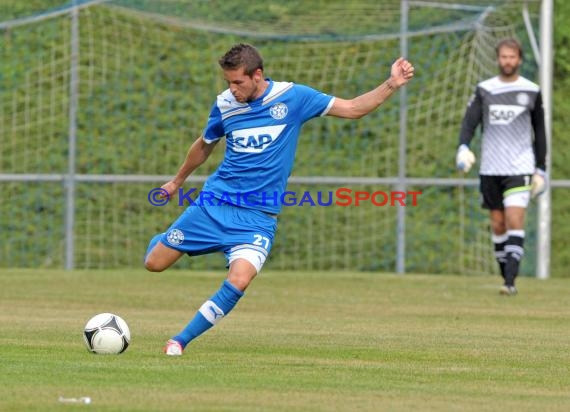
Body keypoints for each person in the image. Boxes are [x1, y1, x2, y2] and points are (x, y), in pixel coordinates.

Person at [144, 43, 414, 355]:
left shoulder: (294, 97)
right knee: (154, 263)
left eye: (238, 82)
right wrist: (177, 181)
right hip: (215, 204)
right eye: (228, 82)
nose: (232, 89)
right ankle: (166, 239)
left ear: (257, 75)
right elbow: (205, 144)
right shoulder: (225, 104)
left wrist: (391, 83)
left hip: (258, 217)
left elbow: (353, 108)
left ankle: (179, 340)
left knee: (240, 280)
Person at [455, 38, 547, 296]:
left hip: (520, 166)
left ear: (519, 59)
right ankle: (505, 273)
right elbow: (469, 122)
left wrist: (542, 168)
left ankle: (510, 282)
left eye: (512, 57)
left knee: (514, 218)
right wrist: (463, 146)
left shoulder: (531, 90)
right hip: (490, 167)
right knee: (498, 224)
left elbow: (539, 131)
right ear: (498, 59)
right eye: (504, 56)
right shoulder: (485, 89)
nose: (508, 61)